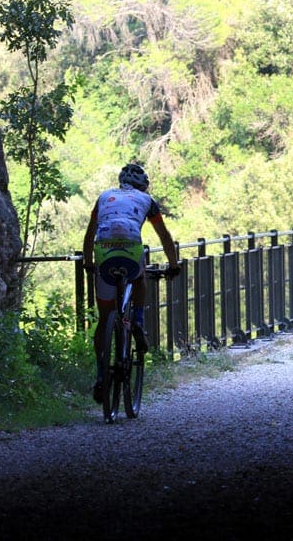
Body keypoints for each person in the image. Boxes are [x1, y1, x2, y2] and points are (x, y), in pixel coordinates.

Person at [82, 163, 180, 404]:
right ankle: (136, 319)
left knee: (105, 319)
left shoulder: (104, 196)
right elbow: (164, 235)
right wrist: (173, 264)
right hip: (131, 248)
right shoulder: (147, 200)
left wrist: (87, 262)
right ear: (143, 185)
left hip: (103, 250)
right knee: (139, 274)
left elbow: (89, 233)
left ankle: (101, 372)